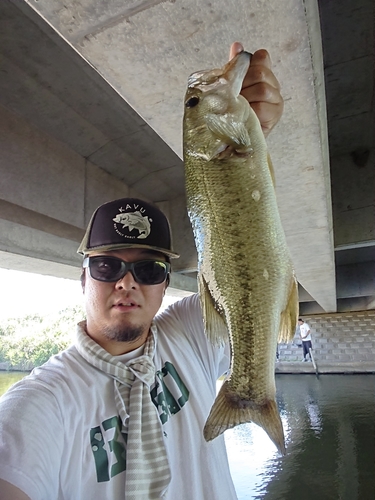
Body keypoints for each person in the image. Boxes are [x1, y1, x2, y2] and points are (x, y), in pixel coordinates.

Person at [0, 43, 284, 500]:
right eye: (108, 265)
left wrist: (256, 138)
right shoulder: (39, 406)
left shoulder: (189, 333)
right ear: (83, 277)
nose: (126, 281)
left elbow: (247, 260)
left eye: (149, 270)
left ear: (166, 285)